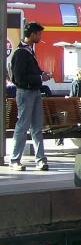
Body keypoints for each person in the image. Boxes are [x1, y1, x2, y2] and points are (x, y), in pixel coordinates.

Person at [9, 23, 50, 171]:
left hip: (34, 91)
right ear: (32, 34)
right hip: (25, 92)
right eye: (39, 34)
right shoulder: (21, 53)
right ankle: (15, 160)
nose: (40, 37)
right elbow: (18, 77)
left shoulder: (28, 51)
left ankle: (41, 159)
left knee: (37, 127)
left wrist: (41, 75)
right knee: (23, 126)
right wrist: (40, 78)